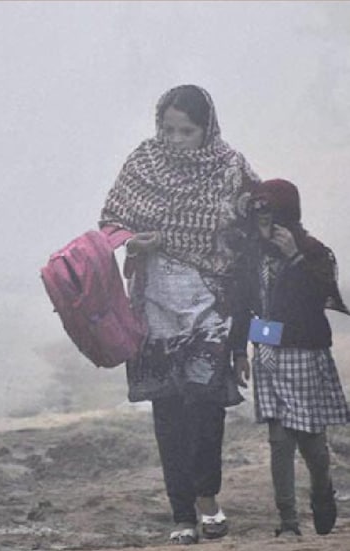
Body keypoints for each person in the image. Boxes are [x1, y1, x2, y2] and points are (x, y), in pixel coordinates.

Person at [99, 84, 260, 545]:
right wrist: (134, 242)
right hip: (153, 312)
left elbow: (256, 232)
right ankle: (181, 514)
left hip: (210, 311)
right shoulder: (143, 163)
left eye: (185, 130)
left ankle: (208, 498)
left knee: (206, 409)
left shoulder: (231, 169)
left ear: (206, 128)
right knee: (167, 412)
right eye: (167, 129)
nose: (174, 138)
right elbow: (111, 220)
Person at [232, 178, 350, 537]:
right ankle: (288, 522)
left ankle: (322, 490)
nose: (266, 228)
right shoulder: (249, 256)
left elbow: (319, 299)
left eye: (272, 218)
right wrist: (239, 351)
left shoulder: (313, 252)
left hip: (304, 350)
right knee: (279, 439)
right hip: (268, 349)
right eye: (260, 219)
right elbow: (242, 308)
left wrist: (294, 259)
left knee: (311, 438)